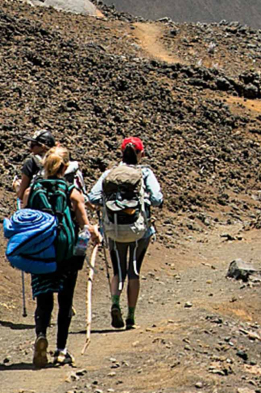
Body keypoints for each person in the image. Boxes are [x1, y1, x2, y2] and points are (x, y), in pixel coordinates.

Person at [23, 145, 101, 367]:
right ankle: (61, 350)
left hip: (40, 251)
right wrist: (95, 234)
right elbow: (85, 226)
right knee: (65, 301)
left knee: (43, 297)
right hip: (66, 252)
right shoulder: (72, 192)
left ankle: (40, 335)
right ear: (65, 168)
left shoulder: (31, 191)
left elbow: (24, 218)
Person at [88, 137, 163, 330]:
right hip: (139, 230)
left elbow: (93, 197)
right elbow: (157, 198)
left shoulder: (109, 173)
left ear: (121, 153)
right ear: (141, 154)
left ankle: (115, 304)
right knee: (134, 271)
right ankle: (130, 317)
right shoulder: (145, 173)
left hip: (113, 229)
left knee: (118, 271)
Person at [15, 129, 56, 201]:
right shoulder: (60, 164)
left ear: (43, 147)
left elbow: (21, 195)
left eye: (32, 145)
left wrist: (16, 186)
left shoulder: (31, 162)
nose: (30, 148)